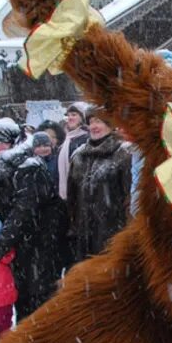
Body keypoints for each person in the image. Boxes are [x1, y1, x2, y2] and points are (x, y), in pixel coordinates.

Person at [0, 119, 68, 321]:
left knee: (40, 303)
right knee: (24, 303)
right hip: (20, 249)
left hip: (40, 247)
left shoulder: (28, 166)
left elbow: (24, 211)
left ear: (11, 144)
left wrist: (0, 244)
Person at [66, 108, 132, 263]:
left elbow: (128, 195)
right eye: (91, 122)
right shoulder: (79, 156)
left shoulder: (122, 155)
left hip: (113, 230)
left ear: (110, 125)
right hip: (84, 232)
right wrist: (74, 225)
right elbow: (72, 196)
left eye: (99, 121)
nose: (94, 126)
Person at [57, 102, 89, 200]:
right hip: (67, 194)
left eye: (74, 115)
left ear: (83, 118)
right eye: (68, 115)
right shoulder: (67, 138)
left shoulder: (86, 139)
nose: (70, 118)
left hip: (80, 194)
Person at [35, 120, 66, 189]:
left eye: (53, 137)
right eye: (46, 136)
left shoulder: (61, 157)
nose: (50, 139)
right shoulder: (32, 158)